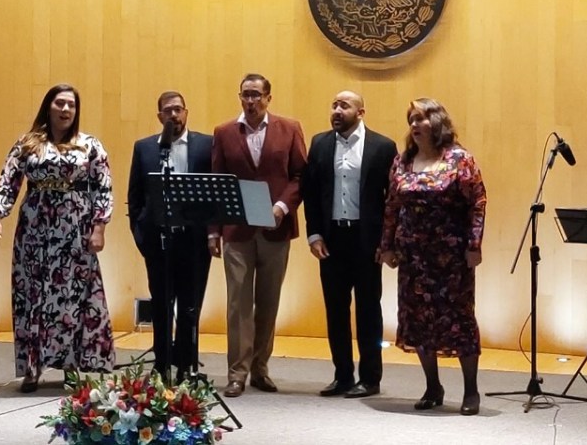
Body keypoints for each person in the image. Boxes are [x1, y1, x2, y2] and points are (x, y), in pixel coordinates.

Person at [0, 83, 115, 392]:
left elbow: (104, 187)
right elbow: (8, 180)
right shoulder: (28, 144)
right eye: (60, 103)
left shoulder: (89, 145)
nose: (66, 109)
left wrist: (99, 227)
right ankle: (33, 367)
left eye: (71, 104)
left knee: (72, 296)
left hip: (74, 228)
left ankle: (71, 365)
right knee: (33, 295)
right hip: (35, 228)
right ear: (49, 106)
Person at [377, 98, 487, 416]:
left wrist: (474, 245)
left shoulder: (459, 159)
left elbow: (477, 202)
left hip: (450, 256)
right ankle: (432, 386)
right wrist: (387, 246)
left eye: (421, 119)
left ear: (437, 123)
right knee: (418, 320)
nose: (414, 125)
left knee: (459, 320)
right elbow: (392, 206)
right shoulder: (403, 160)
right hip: (413, 255)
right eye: (411, 119)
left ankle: (470, 391)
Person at [208, 73, 307, 397]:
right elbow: (216, 183)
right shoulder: (224, 132)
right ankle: (236, 373)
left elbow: (300, 176)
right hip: (236, 231)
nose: (250, 101)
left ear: (268, 97)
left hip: (275, 228)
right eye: (245, 95)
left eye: (256, 95)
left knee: (268, 302)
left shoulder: (289, 128)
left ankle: (260, 369)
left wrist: (282, 207)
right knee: (238, 303)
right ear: (240, 97)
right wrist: (213, 231)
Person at [302, 91, 398, 399]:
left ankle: (370, 378)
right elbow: (311, 194)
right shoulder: (319, 144)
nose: (337, 110)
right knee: (335, 310)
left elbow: (391, 199)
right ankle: (342, 375)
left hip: (365, 240)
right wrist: (314, 234)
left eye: (344, 105)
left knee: (369, 310)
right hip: (331, 240)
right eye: (334, 105)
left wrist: (387, 241)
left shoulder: (382, 147)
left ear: (361, 112)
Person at [127, 91, 214, 385]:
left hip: (194, 242)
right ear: (159, 117)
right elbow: (135, 197)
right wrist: (141, 237)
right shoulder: (145, 148)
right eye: (168, 111)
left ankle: (186, 365)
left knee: (191, 307)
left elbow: (214, 194)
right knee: (162, 306)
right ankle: (162, 364)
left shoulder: (206, 145)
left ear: (186, 112)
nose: (173, 115)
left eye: (178, 109)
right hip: (159, 242)